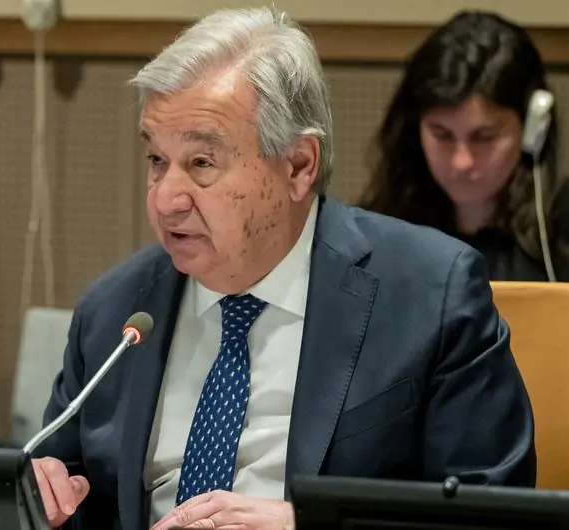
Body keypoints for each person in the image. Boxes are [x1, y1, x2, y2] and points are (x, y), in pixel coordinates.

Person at [30, 7, 536, 530]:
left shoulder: (431, 295)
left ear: (298, 166)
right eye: (158, 161)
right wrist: (43, 496)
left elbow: (494, 517)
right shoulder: (114, 312)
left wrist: (309, 525)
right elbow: (65, 486)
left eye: (201, 163)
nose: (165, 199)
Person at [359, 11, 568, 282]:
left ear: (532, 128)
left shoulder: (559, 242)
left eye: (484, 137)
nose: (461, 162)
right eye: (442, 134)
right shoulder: (372, 238)